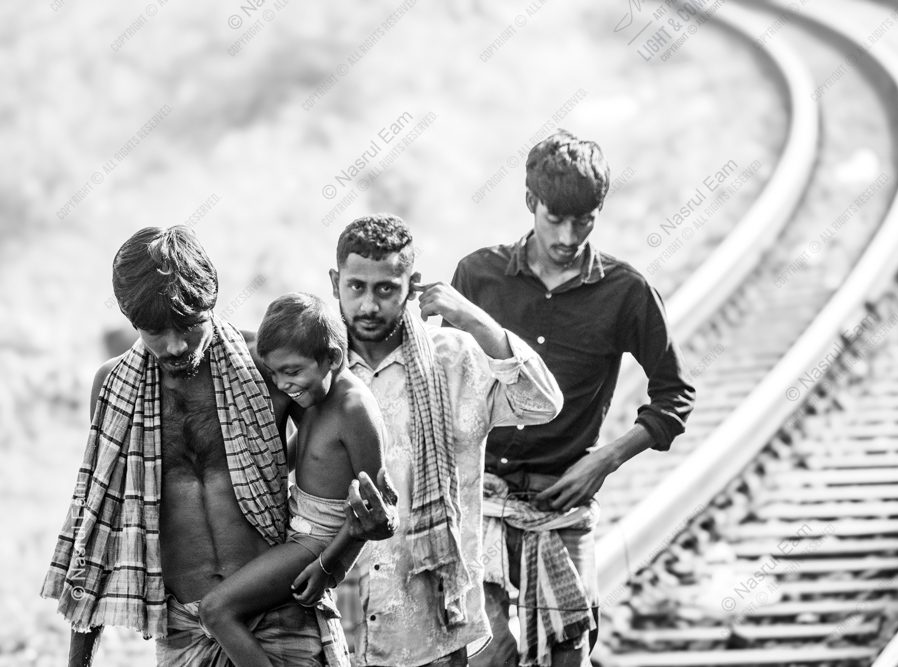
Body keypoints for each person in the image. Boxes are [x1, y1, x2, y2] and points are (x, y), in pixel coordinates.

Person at [41, 226, 398, 667]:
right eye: (155, 331)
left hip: (284, 613)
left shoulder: (268, 366)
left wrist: (335, 561)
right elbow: (96, 530)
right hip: (184, 630)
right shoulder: (114, 390)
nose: (175, 345)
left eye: (189, 326)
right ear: (132, 321)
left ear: (210, 303)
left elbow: (341, 461)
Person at [451, 130, 696, 666]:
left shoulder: (626, 292)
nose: (568, 236)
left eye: (583, 220)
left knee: (569, 651)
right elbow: (445, 382)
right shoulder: (478, 276)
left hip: (561, 506)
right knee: (489, 654)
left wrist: (603, 461)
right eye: (555, 218)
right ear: (530, 202)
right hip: (478, 500)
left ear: (598, 212)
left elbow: (674, 396)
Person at [329, 214, 563, 666]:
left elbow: (543, 402)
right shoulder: (318, 368)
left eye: (386, 289)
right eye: (356, 287)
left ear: (411, 286)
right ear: (335, 282)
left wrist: (472, 318)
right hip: (338, 619)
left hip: (433, 624)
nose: (369, 305)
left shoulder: (455, 358)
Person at [199, 292, 387, 667]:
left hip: (317, 543)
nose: (283, 384)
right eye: (275, 374)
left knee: (215, 610)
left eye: (293, 372)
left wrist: (327, 566)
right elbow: (295, 457)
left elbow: (374, 509)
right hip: (296, 530)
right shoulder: (313, 399)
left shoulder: (354, 407)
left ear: (333, 358)